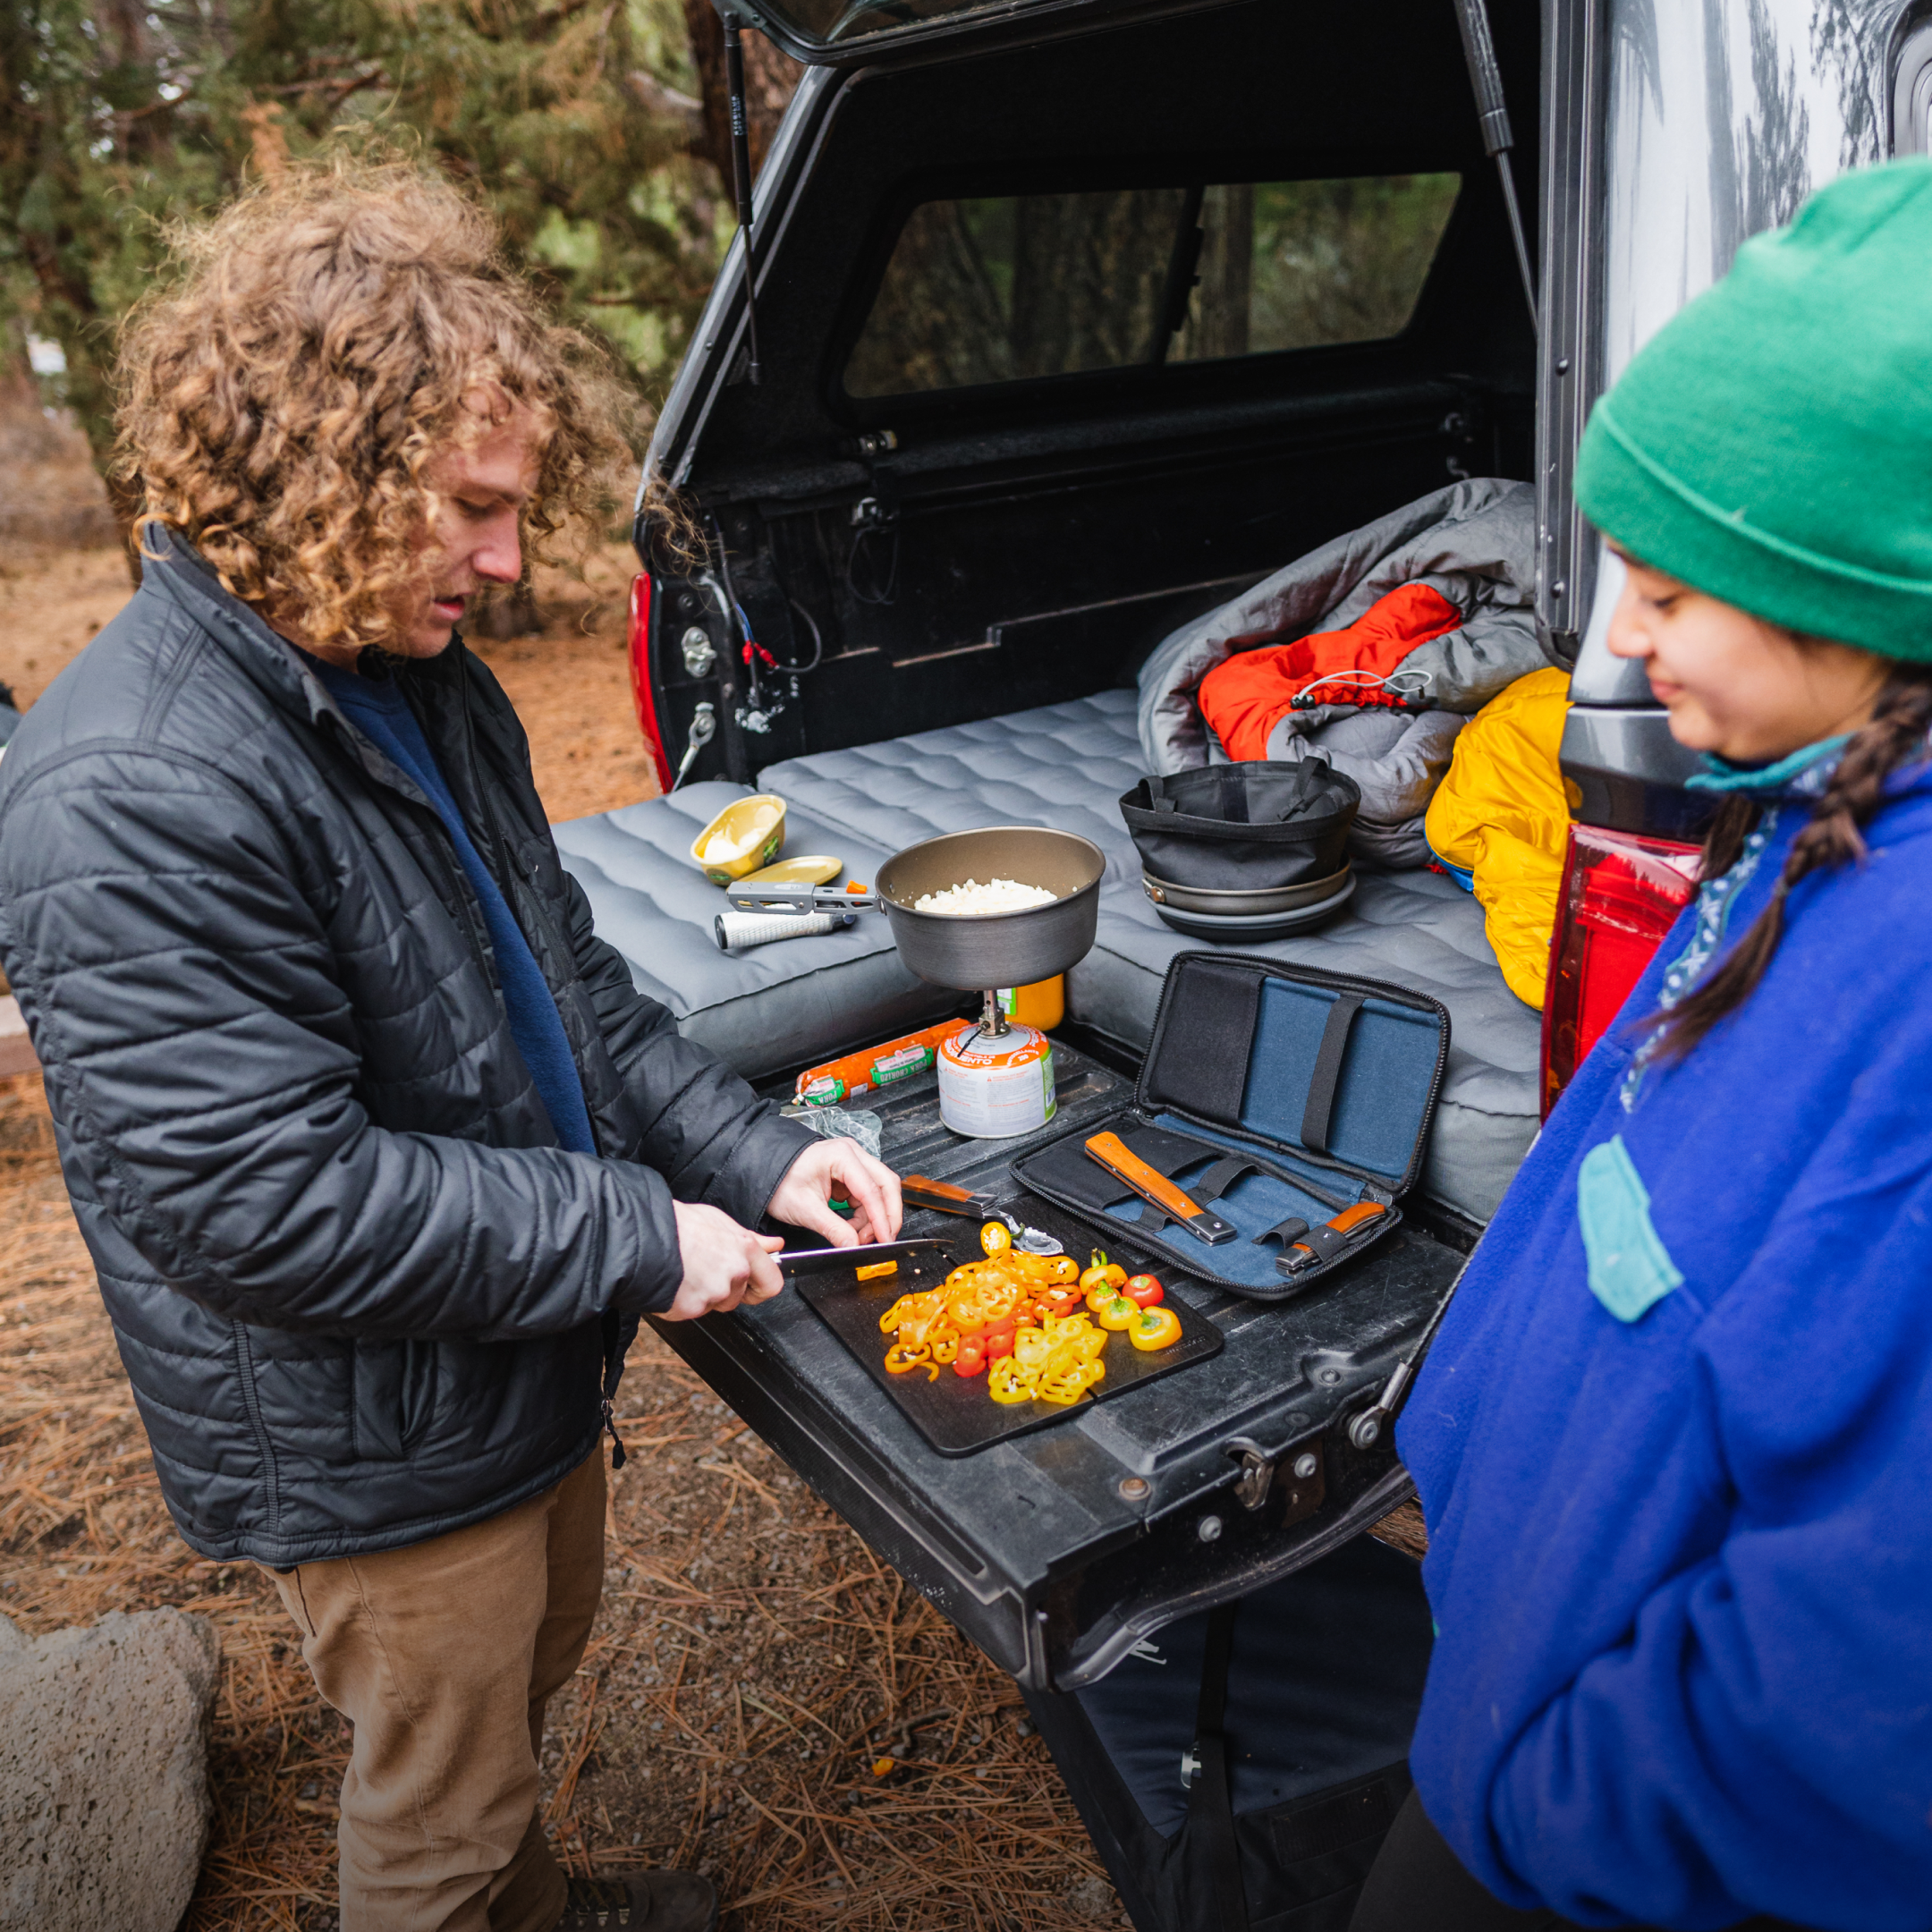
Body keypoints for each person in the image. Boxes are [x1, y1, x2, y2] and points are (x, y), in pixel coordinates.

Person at [0, 158, 902, 1932]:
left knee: (514, 1699)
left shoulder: (413, 677)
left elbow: (574, 990)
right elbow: (260, 1200)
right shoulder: (137, 785)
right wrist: (639, 1236)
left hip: (493, 1359)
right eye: (467, 512)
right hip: (368, 1430)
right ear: (318, 476)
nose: (507, 561)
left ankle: (535, 1910)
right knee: (435, 1809)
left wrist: (746, 1155)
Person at [1349, 159, 1932, 1931]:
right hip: (1525, 1707)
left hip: (1609, 1849)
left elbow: (1871, 1664)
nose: (1622, 638)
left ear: (1868, 601)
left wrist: (1551, 1809)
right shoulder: (1804, 814)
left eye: (1679, 591)